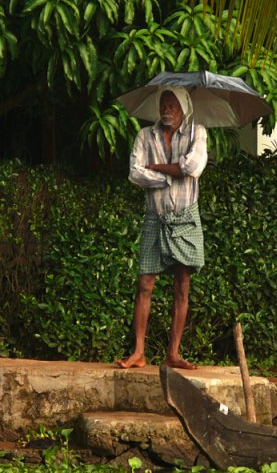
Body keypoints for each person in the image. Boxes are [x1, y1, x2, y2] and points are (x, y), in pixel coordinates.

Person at [117, 87, 208, 370]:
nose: (166, 109)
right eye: (163, 104)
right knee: (145, 283)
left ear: (185, 108)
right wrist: (168, 175)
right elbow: (134, 172)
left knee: (182, 286)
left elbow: (192, 166)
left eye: (172, 104)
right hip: (155, 217)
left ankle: (173, 353)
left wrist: (155, 167)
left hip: (185, 218)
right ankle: (139, 353)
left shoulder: (198, 133)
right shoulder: (145, 136)